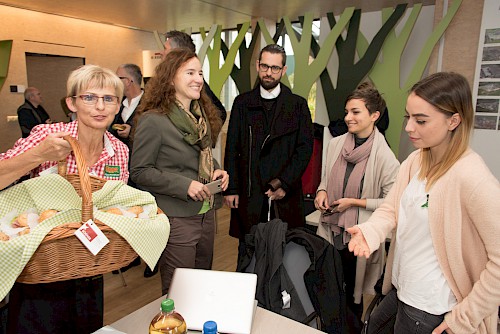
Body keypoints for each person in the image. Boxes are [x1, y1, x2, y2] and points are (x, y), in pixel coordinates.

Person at [347, 72, 500, 334]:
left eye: (421, 120)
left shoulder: (473, 178)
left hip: (430, 308)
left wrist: (462, 319)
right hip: (401, 289)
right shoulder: (416, 161)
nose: (408, 128)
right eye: (409, 117)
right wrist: (370, 231)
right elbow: (391, 207)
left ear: (454, 121)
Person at [1, 64, 127, 334]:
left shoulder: (119, 150)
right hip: (41, 266)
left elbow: (118, 206)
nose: (100, 107)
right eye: (89, 97)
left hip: (89, 265)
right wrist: (37, 155)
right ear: (72, 103)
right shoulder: (48, 136)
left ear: (118, 106)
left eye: (108, 99)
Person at [130, 48, 228, 295]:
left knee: (201, 284)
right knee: (179, 291)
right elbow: (140, 171)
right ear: (171, 77)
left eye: (201, 73)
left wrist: (217, 171)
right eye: (190, 72)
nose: (198, 79)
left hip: (206, 214)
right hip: (177, 217)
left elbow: (198, 158)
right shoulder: (154, 120)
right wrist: (184, 185)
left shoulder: (200, 116)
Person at [314, 82, 400, 330]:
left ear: (374, 116)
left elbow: (391, 201)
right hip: (331, 231)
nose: (347, 117)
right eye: (347, 112)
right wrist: (321, 191)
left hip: (358, 237)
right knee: (328, 287)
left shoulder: (384, 156)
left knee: (353, 295)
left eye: (355, 112)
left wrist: (353, 202)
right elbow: (325, 178)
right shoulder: (335, 144)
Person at [224, 44, 314, 263]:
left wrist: (284, 183)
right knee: (248, 252)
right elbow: (232, 147)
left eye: (275, 68)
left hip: (285, 193)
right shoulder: (242, 103)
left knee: (284, 252)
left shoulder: (298, 105)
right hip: (249, 191)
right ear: (257, 66)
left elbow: (304, 150)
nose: (269, 72)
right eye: (265, 66)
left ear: (283, 70)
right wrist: (232, 188)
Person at [161, 30, 227, 123]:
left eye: (165, 48)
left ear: (175, 53)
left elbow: (220, 113)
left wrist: (204, 134)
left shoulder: (197, 86)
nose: (161, 53)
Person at [109, 63, 144, 150]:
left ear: (128, 81)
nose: (114, 83)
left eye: (117, 79)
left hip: (140, 159)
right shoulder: (116, 103)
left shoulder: (152, 104)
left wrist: (133, 132)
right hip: (118, 159)